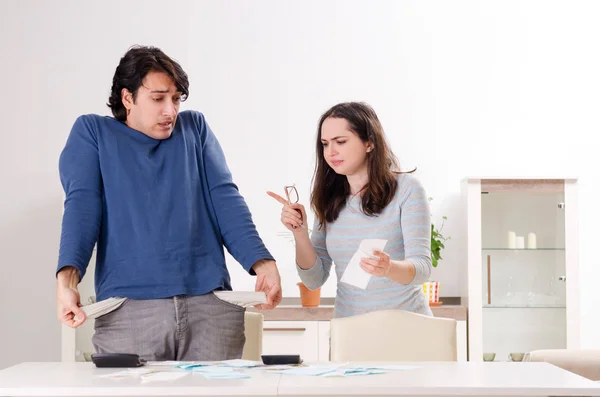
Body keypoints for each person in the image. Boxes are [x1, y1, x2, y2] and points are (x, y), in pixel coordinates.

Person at [56, 45, 282, 361]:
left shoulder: (195, 129)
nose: (170, 111)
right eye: (158, 98)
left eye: (176, 99)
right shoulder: (93, 133)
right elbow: (82, 207)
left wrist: (263, 262)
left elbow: (226, 200)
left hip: (210, 309)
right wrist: (66, 281)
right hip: (129, 312)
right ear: (127, 98)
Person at [268, 102, 432, 318]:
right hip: (350, 331)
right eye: (325, 144)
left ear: (370, 143)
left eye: (341, 142)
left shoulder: (407, 190)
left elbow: (422, 269)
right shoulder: (328, 199)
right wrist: (299, 232)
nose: (331, 152)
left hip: (406, 326)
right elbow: (314, 279)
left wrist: (389, 268)